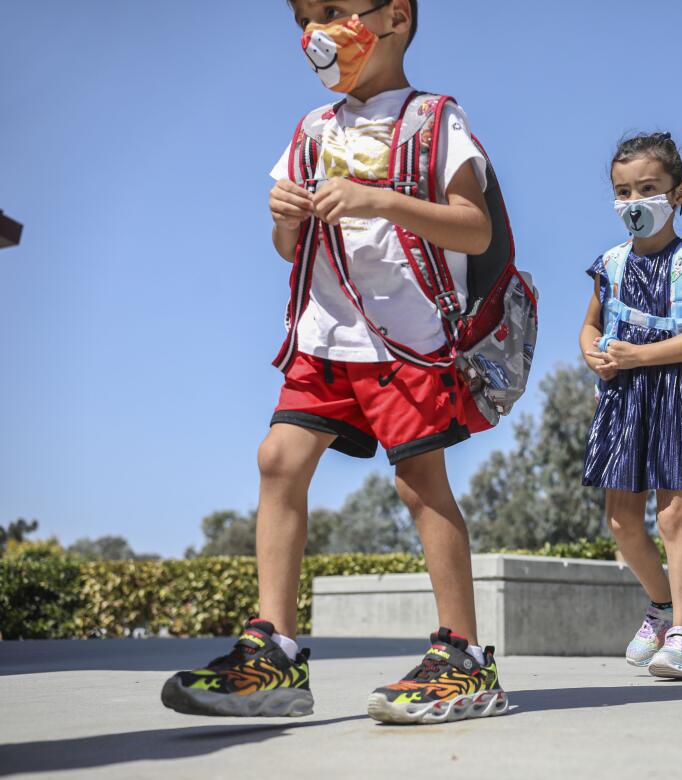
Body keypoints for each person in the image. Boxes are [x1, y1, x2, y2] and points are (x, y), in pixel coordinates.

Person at [162, 0, 509, 725]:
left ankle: (464, 660)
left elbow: (474, 230)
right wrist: (285, 214)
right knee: (278, 459)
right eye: (307, 16)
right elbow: (288, 247)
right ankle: (274, 652)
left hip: (405, 339)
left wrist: (380, 200)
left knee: (420, 483)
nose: (318, 30)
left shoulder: (433, 118)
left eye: (334, 9)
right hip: (324, 336)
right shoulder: (312, 130)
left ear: (395, 18)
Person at [579, 132, 682, 680]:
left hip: (678, 395)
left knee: (673, 514)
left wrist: (642, 355)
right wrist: (593, 354)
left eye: (648, 188)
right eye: (623, 191)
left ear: (678, 192)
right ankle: (663, 607)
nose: (634, 202)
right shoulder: (610, 263)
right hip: (623, 398)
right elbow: (591, 325)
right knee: (621, 522)